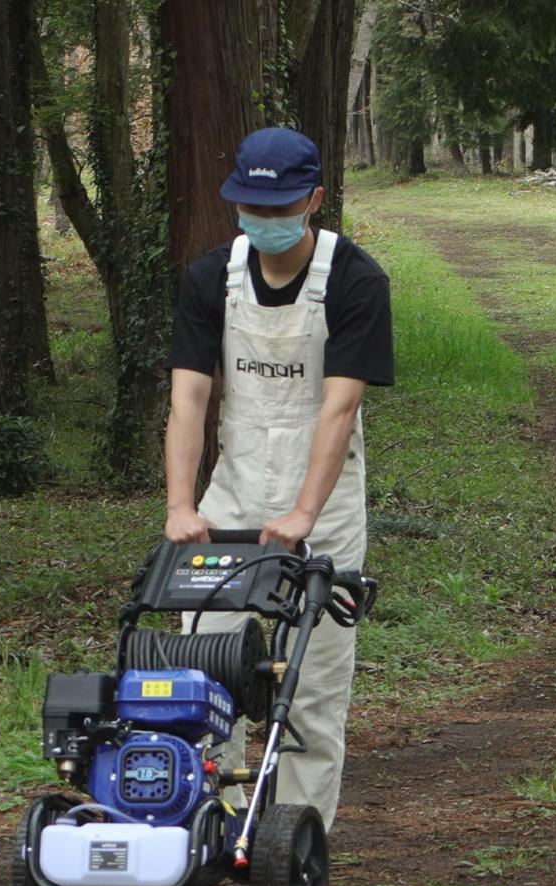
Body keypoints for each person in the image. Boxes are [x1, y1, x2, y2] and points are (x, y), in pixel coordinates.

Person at [163, 127, 393, 831]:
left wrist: (302, 515)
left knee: (311, 691)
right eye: (252, 207)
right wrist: (180, 505)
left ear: (314, 200)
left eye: (280, 207)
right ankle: (214, 825)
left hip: (323, 506)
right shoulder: (211, 278)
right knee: (204, 673)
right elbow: (189, 399)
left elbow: (339, 407)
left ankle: (294, 844)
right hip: (230, 497)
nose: (264, 220)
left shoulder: (355, 280)